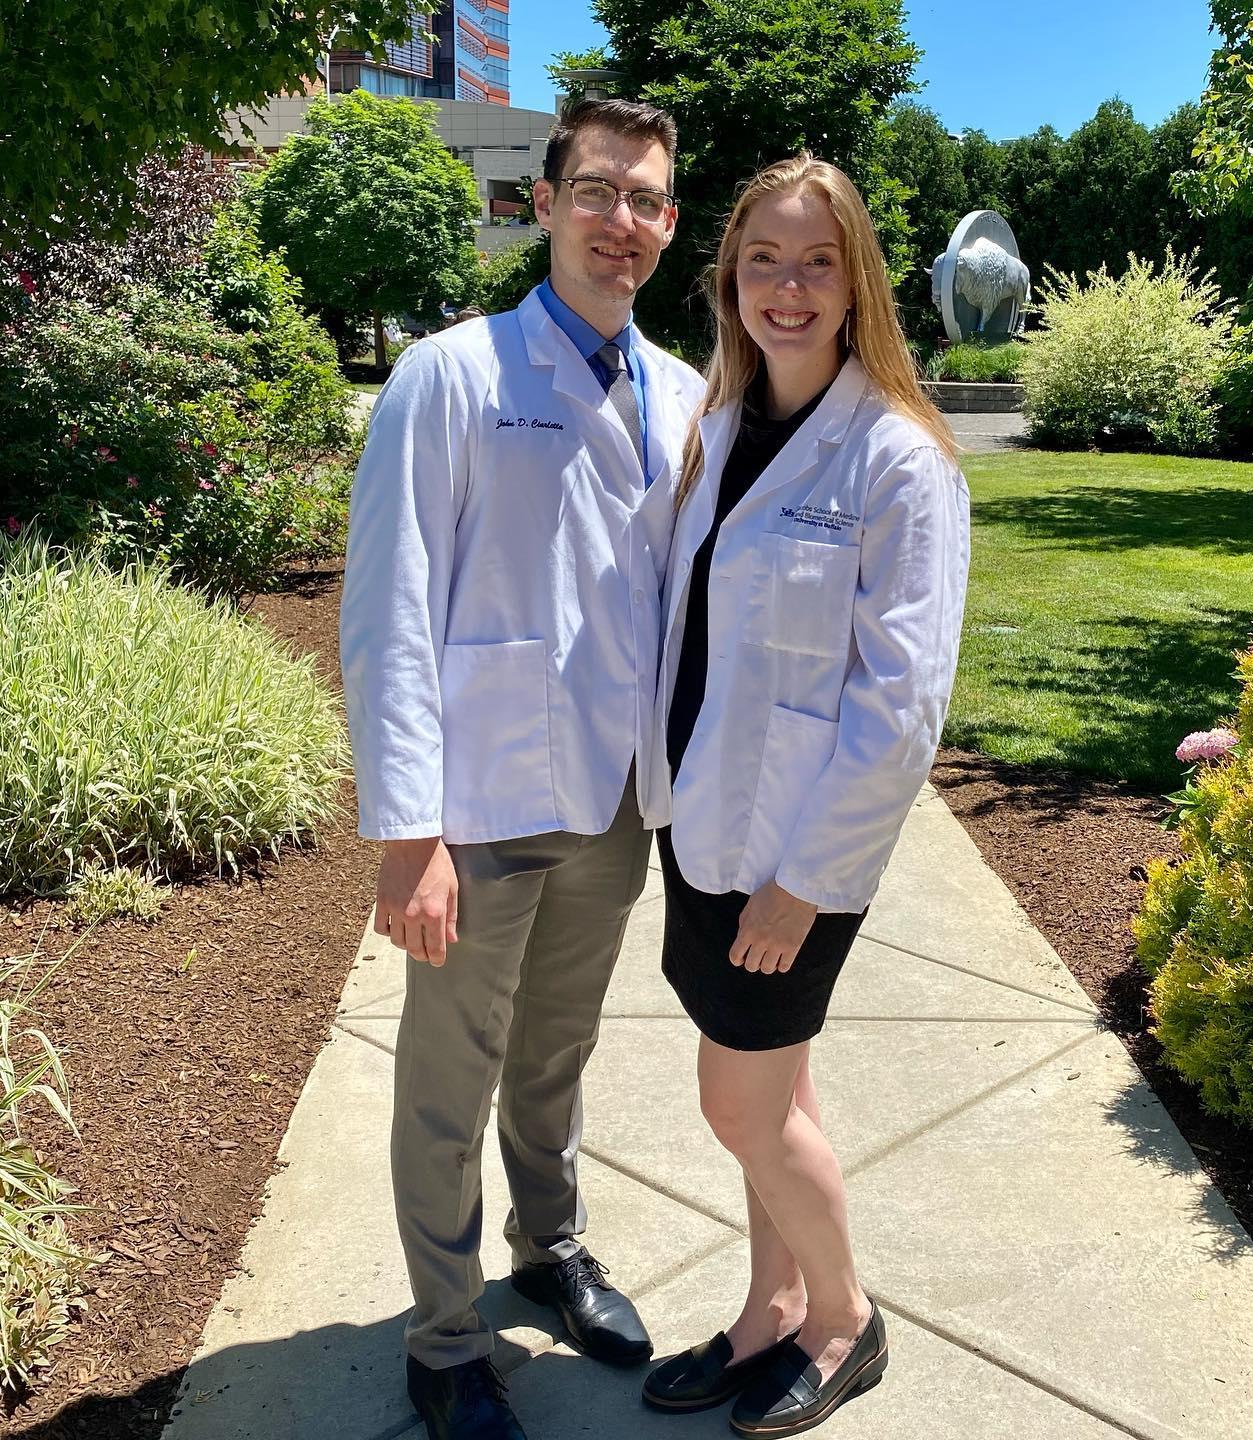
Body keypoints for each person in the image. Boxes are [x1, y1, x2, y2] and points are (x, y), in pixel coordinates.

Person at [339, 97, 704, 1440]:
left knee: (556, 1057)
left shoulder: (679, 395)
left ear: (670, 226)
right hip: (480, 807)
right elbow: (387, 607)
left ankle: (548, 1249)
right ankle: (444, 1343)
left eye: (648, 200)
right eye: (597, 190)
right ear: (543, 204)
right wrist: (407, 833)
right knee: (449, 1085)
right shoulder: (451, 375)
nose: (622, 220)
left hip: (611, 807)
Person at [639, 154, 969, 1437]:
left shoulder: (898, 459)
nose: (787, 286)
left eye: (815, 262)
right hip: (704, 824)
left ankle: (842, 1317)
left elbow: (901, 712)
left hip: (790, 859)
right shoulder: (720, 426)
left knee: (739, 1107)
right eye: (763, 260)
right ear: (730, 278)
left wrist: (802, 883)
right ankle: (767, 1307)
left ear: (857, 283)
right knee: (779, 1098)